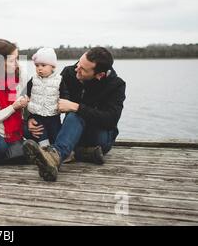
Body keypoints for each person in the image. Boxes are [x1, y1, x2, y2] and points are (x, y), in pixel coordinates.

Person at [23, 47, 126, 181]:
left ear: (99, 75)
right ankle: (80, 153)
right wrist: (30, 118)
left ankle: (56, 156)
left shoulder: (116, 85)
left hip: (99, 138)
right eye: (79, 63)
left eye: (83, 69)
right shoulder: (69, 73)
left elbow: (111, 120)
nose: (77, 68)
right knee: (27, 129)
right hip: (70, 133)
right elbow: (44, 99)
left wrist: (76, 107)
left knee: (75, 115)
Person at [24, 47, 67, 147]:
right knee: (41, 133)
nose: (39, 68)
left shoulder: (59, 80)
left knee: (55, 134)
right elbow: (26, 93)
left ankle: (55, 149)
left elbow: (64, 93)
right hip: (37, 114)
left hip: (53, 115)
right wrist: (26, 101)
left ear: (52, 66)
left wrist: (63, 102)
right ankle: (45, 150)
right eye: (37, 65)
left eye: (43, 65)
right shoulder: (33, 80)